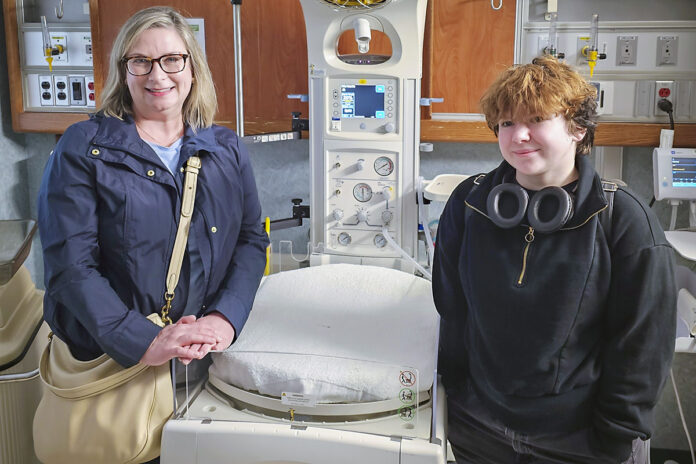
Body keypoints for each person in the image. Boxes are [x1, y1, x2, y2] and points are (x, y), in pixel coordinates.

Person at [432, 56, 677, 464]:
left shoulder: (623, 219)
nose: (518, 135)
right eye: (506, 123)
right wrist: (454, 396)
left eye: (536, 119)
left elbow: (642, 344)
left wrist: (615, 437)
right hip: (478, 427)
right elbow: (451, 309)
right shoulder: (469, 204)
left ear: (578, 128)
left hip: (583, 441)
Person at [38, 6, 268, 377]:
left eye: (172, 60)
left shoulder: (227, 148)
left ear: (192, 69)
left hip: (203, 363)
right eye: (141, 61)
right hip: (113, 365)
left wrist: (226, 318)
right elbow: (70, 265)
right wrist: (142, 340)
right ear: (123, 71)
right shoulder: (82, 147)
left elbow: (252, 240)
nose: (157, 74)